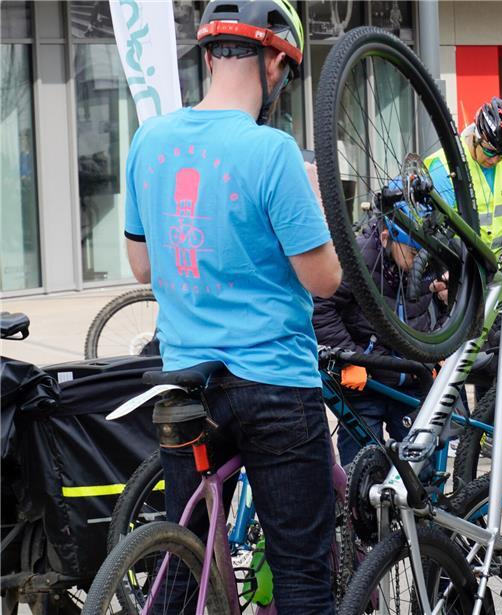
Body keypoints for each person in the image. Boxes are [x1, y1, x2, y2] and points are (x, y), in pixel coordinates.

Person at [123, 1, 342, 612]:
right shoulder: (272, 153)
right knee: (301, 573)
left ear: (210, 54)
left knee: (180, 558)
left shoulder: (150, 139)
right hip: (274, 383)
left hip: (186, 385)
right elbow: (324, 280)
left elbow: (142, 267)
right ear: (276, 62)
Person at [313, 206, 440, 466]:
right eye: (413, 253)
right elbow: (320, 306)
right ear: (385, 238)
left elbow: (454, 310)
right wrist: (352, 359)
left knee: (419, 473)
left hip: (412, 383)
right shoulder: (353, 258)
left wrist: (437, 354)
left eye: (423, 253)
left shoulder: (430, 262)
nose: (419, 262)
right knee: (361, 470)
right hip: (365, 383)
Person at [426, 97, 502, 250]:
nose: (494, 160)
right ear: (476, 136)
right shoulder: (444, 168)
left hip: (497, 262)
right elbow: (437, 233)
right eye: (489, 151)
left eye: (501, 155)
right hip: (460, 263)